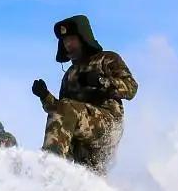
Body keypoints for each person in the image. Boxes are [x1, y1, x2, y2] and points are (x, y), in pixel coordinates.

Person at [32, 15, 138, 174]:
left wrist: (102, 81)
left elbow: (131, 88)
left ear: (83, 38)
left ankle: (50, 167)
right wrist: (45, 96)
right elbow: (60, 112)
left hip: (108, 127)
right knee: (88, 179)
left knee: (67, 109)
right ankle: (58, 181)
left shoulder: (106, 59)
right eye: (65, 41)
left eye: (71, 39)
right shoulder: (69, 74)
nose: (68, 44)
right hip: (83, 141)